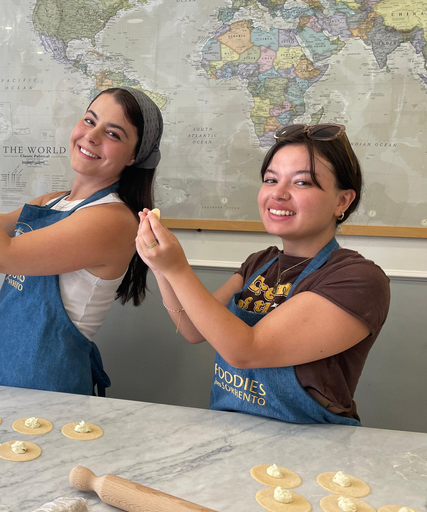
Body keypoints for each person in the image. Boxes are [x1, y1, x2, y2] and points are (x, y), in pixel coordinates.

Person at [136, 123, 390, 425]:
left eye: (302, 183)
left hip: (313, 445)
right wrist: (160, 267)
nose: (278, 194)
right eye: (271, 180)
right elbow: (192, 328)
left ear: (342, 201)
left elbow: (246, 350)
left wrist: (177, 268)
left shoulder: (357, 279)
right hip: (234, 430)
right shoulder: (260, 262)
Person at [0, 87, 164, 396]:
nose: (92, 136)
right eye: (90, 121)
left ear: (134, 157)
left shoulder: (113, 220)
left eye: (114, 134)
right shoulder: (52, 201)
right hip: (3, 371)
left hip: (51, 387)